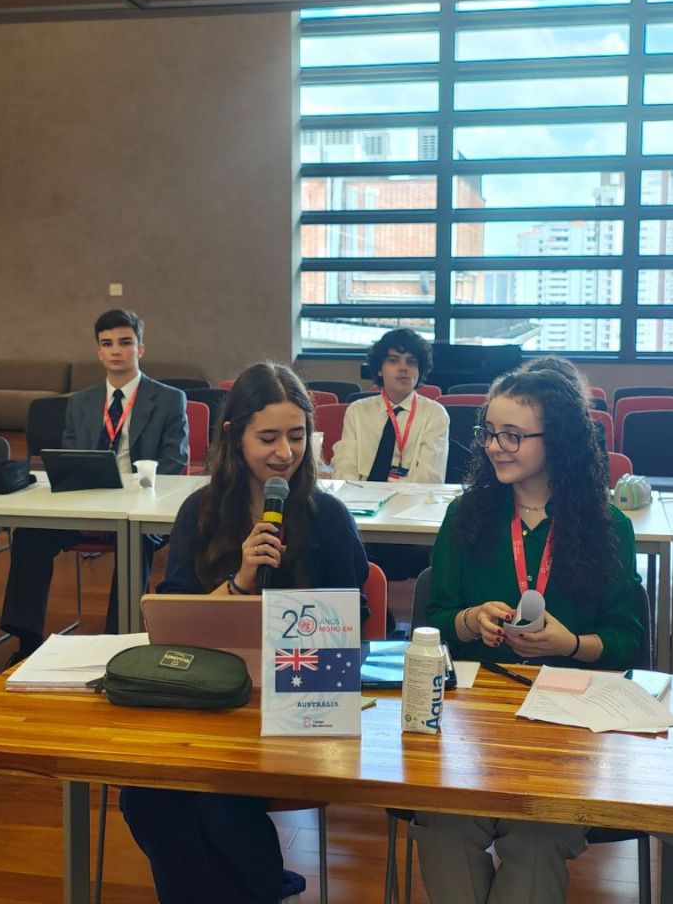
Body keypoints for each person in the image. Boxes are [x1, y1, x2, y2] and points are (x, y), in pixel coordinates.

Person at [121, 362, 368, 904]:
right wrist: (240, 581)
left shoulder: (327, 516)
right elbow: (174, 620)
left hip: (302, 701)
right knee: (144, 796)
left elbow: (355, 626)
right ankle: (264, 888)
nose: (285, 452)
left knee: (219, 799)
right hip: (208, 699)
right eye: (269, 438)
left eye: (297, 436)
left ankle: (258, 888)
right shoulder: (200, 511)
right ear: (234, 437)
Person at [413, 370, 645, 904]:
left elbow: (628, 639)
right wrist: (470, 620)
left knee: (539, 836)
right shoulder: (465, 516)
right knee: (443, 824)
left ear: (557, 440)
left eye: (513, 436)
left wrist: (571, 645)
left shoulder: (609, 526)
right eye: (489, 433)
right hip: (474, 721)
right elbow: (434, 622)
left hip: (567, 728)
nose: (495, 446)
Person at [0, 309, 188, 661]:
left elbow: (174, 464)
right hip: (87, 503)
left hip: (139, 507)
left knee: (137, 541)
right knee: (30, 533)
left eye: (125, 342)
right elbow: (71, 457)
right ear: (99, 352)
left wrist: (132, 492)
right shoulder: (81, 402)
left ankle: (117, 642)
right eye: (107, 343)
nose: (116, 350)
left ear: (140, 348)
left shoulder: (168, 399)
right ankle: (26, 641)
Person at [332, 327, 449, 585]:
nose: (403, 368)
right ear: (379, 368)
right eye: (393, 360)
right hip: (361, 516)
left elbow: (429, 479)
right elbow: (344, 470)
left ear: (420, 370)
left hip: (408, 517)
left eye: (411, 362)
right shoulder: (357, 411)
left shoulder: (434, 414)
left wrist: (385, 502)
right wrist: (360, 503)